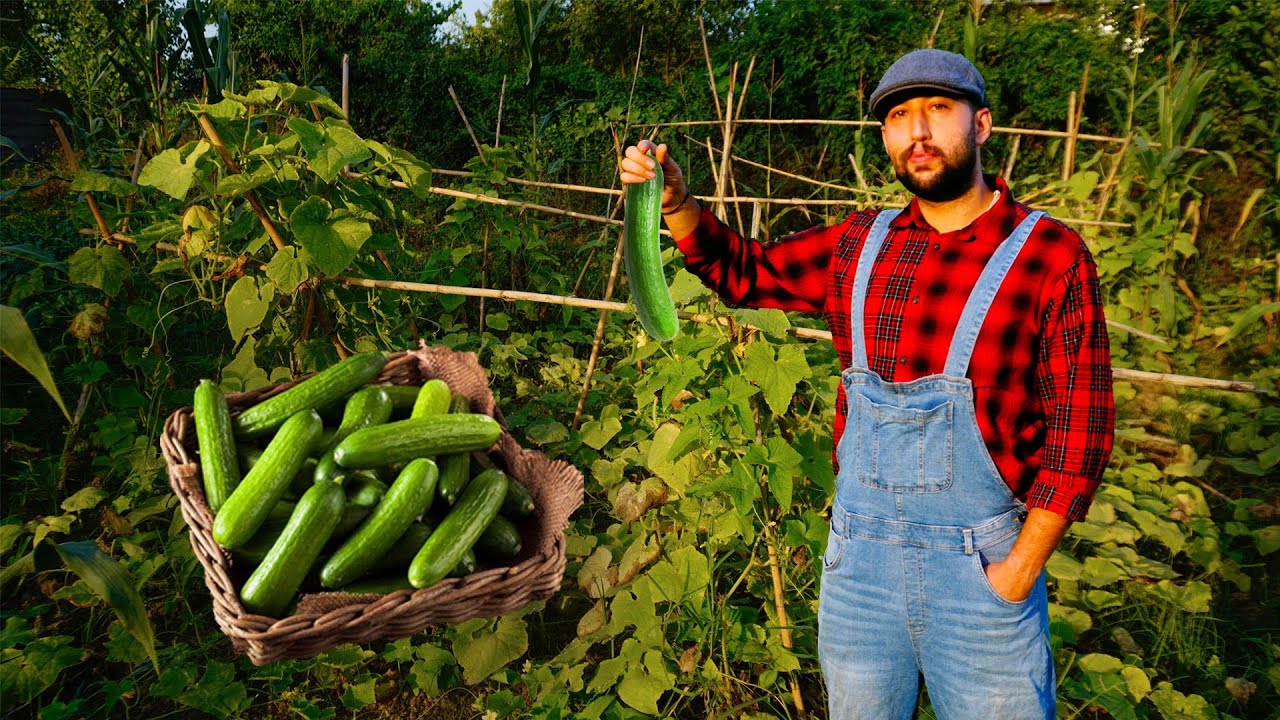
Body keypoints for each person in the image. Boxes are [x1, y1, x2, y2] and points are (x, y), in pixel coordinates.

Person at [619, 49, 1114, 719]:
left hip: (982, 576)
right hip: (861, 576)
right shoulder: (860, 243)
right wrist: (675, 203)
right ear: (884, 136)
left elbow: (1081, 431)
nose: (917, 133)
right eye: (898, 117)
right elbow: (743, 273)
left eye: (938, 110)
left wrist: (1018, 571)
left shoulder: (1049, 254)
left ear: (982, 124)